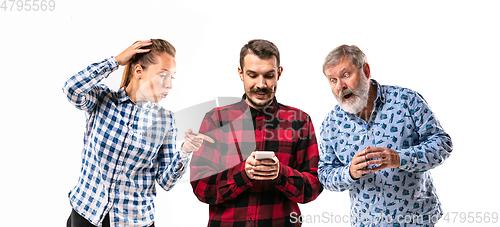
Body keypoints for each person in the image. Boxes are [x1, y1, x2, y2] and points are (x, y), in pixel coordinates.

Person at [63, 39, 213, 227]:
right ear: (138, 71)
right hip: (87, 215)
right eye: (163, 75)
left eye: (172, 77)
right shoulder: (102, 100)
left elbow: (166, 182)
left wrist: (185, 150)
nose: (169, 85)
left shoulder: (165, 120)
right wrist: (116, 60)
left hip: (134, 221)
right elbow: (71, 88)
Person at [190, 39, 323, 226]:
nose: (261, 84)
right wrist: (242, 173)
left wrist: (280, 174)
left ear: (279, 73)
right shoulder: (216, 120)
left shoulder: (300, 121)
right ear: (241, 74)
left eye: (269, 75)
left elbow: (314, 186)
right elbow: (201, 186)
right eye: (252, 75)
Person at [317, 44, 453, 226]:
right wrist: (350, 172)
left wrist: (400, 158)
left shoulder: (407, 101)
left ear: (365, 70)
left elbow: (442, 144)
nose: (340, 86)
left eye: (346, 75)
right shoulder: (331, 124)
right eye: (333, 80)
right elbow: (325, 174)